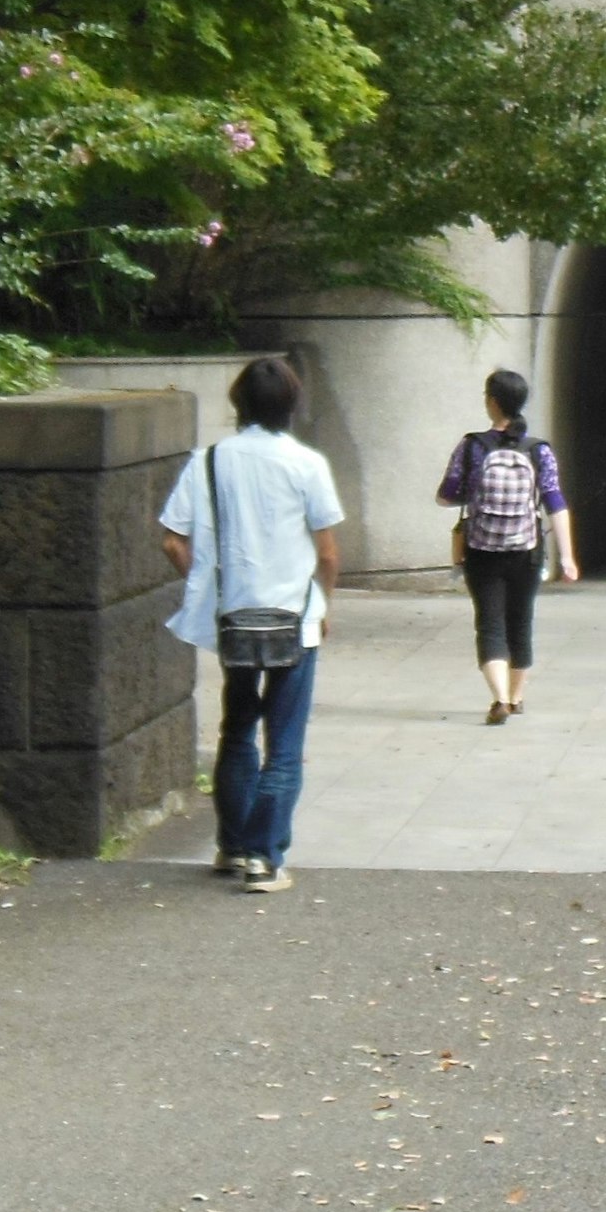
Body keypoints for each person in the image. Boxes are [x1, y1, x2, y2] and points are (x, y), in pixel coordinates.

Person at [158, 356, 343, 892]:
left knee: (236, 732)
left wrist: (206, 584)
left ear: (238, 404)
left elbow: (173, 538)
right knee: (284, 742)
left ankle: (233, 846)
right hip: (294, 619)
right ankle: (265, 858)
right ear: (292, 404)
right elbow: (327, 553)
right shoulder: (306, 463)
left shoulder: (209, 461)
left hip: (233, 618)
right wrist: (322, 605)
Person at [440, 367, 579, 723]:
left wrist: (474, 495)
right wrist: (567, 558)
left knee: (489, 623)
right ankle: (516, 698)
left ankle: (498, 697)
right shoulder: (539, 451)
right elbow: (555, 503)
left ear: (492, 402)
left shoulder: (472, 447)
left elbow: (447, 495)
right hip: (527, 550)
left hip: (481, 549)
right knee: (521, 621)